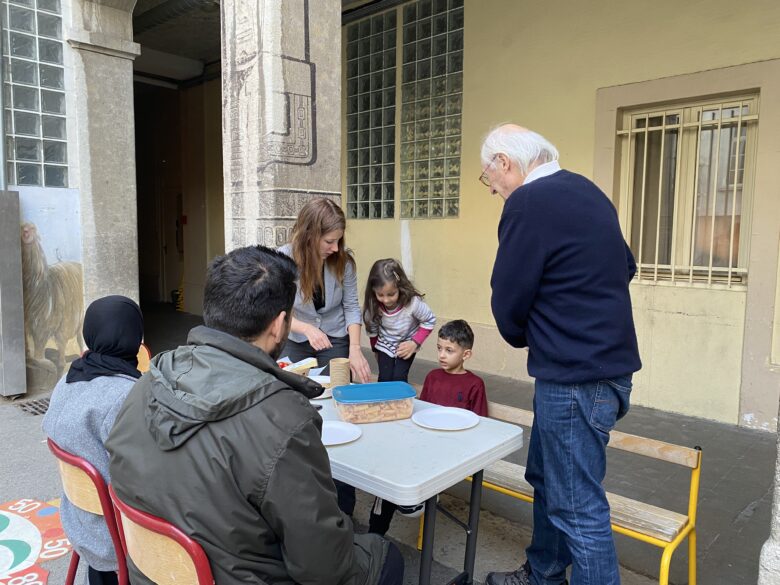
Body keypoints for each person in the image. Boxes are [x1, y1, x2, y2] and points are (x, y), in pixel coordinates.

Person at [106, 246, 403, 585]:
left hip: (149, 573)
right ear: (279, 325)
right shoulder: (283, 419)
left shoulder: (148, 380)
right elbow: (324, 569)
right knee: (384, 554)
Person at [481, 124, 641, 585]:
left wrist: (531, 331)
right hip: (600, 371)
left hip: (574, 378)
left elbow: (508, 297)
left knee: (577, 507)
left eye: (488, 178)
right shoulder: (586, 190)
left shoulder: (527, 202)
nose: (492, 188)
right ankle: (544, 573)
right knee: (550, 481)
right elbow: (625, 266)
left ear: (504, 163)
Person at [278, 197, 371, 517]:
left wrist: (356, 349)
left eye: (339, 240)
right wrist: (305, 328)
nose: (335, 247)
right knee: (301, 412)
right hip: (297, 343)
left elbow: (351, 308)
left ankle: (344, 502)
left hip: (337, 340)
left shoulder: (344, 263)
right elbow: (280, 311)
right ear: (310, 234)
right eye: (329, 241)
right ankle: (305, 495)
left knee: (339, 407)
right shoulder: (284, 260)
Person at [42, 295, 144, 585]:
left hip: (80, 523)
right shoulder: (125, 397)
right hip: (117, 538)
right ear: (134, 337)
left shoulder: (69, 378)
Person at [369, 319, 486, 536]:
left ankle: (414, 498)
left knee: (400, 474)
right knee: (388, 475)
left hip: (451, 449)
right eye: (439, 348)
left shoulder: (474, 384)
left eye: (449, 350)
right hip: (422, 444)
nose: (442, 355)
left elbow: (480, 424)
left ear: (466, 354)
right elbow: (420, 413)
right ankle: (374, 536)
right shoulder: (433, 377)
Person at [363, 258, 436, 384]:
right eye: (380, 295)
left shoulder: (412, 303)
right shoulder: (373, 306)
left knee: (398, 378)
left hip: (407, 344)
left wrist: (414, 343)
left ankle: (401, 403)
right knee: (385, 378)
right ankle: (384, 403)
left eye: (391, 294)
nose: (386, 300)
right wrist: (375, 350)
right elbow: (372, 329)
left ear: (400, 288)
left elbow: (429, 320)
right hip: (385, 344)